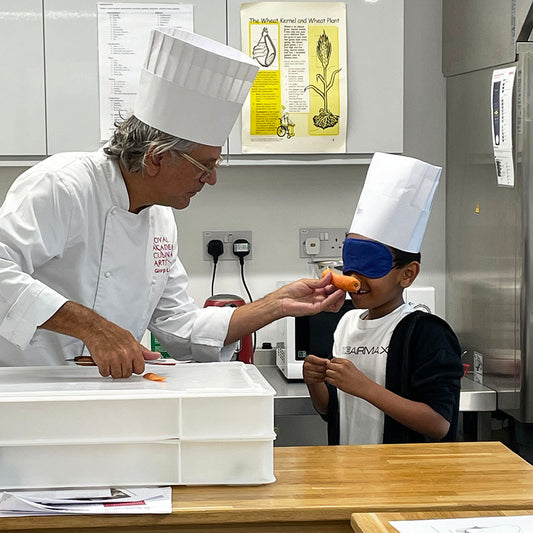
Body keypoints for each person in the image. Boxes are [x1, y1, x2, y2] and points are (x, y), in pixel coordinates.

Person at [0, 27, 345, 379]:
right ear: (155, 159)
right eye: (205, 166)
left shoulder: (159, 218)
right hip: (28, 391)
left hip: (106, 396)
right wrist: (93, 327)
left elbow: (181, 327)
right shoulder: (62, 186)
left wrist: (276, 306)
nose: (211, 180)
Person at [303, 152, 464, 444]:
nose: (356, 278)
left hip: (403, 478)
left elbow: (439, 423)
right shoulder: (346, 324)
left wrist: (364, 387)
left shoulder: (426, 333)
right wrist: (315, 383)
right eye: (351, 263)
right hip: (351, 471)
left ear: (407, 274)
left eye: (372, 266)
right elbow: (333, 412)